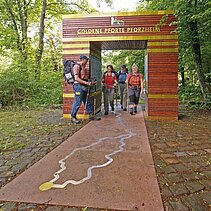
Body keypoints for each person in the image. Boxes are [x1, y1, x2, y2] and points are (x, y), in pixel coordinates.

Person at [70, 55, 96, 124]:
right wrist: (86, 83)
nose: (87, 61)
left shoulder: (83, 67)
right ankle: (73, 117)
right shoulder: (77, 66)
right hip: (78, 86)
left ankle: (91, 115)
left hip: (84, 86)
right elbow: (77, 78)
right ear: (83, 59)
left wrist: (90, 82)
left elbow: (84, 77)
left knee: (87, 101)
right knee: (77, 102)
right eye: (86, 60)